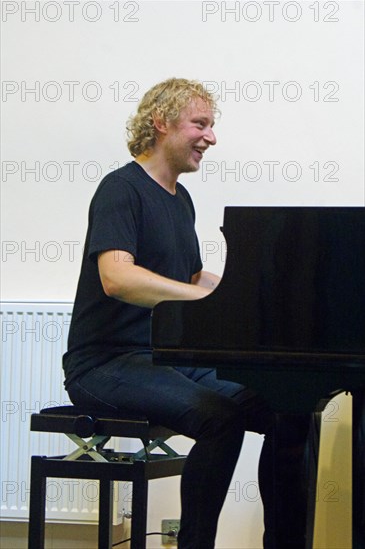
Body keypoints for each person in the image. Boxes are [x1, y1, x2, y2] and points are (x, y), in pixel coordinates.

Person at [63, 77, 310, 549]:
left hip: (163, 359)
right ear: (162, 122)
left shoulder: (181, 199)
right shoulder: (120, 189)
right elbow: (118, 277)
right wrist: (203, 300)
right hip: (105, 364)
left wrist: (263, 300)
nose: (211, 138)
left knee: (283, 407)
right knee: (219, 416)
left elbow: (196, 277)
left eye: (211, 127)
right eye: (201, 124)